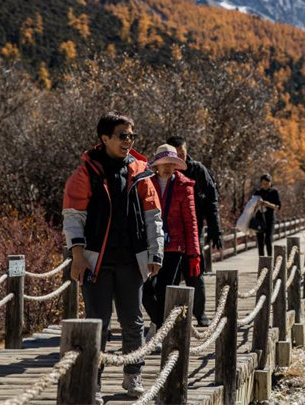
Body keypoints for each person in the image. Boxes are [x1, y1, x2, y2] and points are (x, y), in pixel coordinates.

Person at [62, 112, 164, 403]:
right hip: (96, 260)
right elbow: (73, 217)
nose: (128, 141)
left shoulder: (142, 171)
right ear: (104, 138)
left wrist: (155, 252)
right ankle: (92, 382)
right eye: (123, 136)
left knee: (133, 323)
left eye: (131, 135)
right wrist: (77, 255)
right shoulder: (85, 173)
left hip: (132, 260)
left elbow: (153, 217)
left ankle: (133, 375)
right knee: (98, 323)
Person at [141, 144, 201, 343]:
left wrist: (194, 254)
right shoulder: (145, 183)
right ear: (156, 165)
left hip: (174, 246)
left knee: (165, 290)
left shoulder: (184, 186)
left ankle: (159, 333)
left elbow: (191, 221)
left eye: (172, 163)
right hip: (149, 243)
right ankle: (161, 326)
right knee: (145, 289)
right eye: (164, 163)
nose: (168, 167)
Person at [165, 136, 223, 327]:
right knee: (169, 274)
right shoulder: (164, 169)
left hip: (193, 228)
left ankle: (200, 313)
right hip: (169, 231)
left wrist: (216, 231)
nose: (180, 157)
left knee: (194, 271)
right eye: (176, 154)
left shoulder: (198, 170)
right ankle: (167, 316)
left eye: (182, 152)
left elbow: (212, 202)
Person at [252, 173, 281, 256]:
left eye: (268, 183)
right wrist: (257, 204)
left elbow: (278, 207)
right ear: (261, 183)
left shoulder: (274, 192)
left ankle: (269, 260)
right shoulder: (257, 193)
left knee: (268, 240)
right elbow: (251, 209)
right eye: (264, 183)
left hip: (270, 219)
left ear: (270, 183)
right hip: (259, 219)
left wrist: (267, 204)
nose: (266, 185)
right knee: (260, 241)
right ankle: (262, 261)